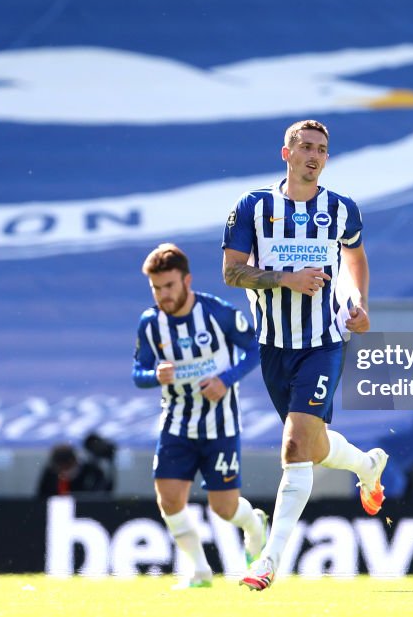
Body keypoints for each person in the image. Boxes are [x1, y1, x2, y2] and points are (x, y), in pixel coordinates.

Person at [222, 119, 388, 591]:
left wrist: (357, 302)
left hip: (322, 342)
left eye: (323, 149)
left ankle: (268, 561)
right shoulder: (253, 207)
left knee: (295, 447)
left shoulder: (340, 209)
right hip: (274, 346)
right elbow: (232, 273)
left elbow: (354, 259)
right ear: (287, 153)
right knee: (313, 447)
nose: (315, 155)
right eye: (306, 147)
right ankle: (365, 465)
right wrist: (285, 279)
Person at [132, 243, 269, 589]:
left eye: (169, 286)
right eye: (156, 288)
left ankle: (253, 524)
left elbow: (256, 348)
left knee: (224, 508)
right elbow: (138, 371)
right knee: (170, 500)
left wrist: (226, 380)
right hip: (176, 422)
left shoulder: (217, 313)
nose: (163, 294)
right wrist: (154, 377)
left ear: (187, 280)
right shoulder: (150, 325)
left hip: (219, 424)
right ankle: (199, 570)